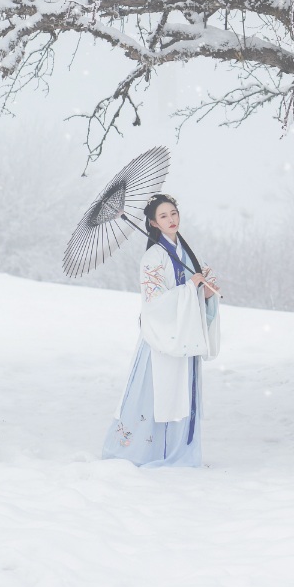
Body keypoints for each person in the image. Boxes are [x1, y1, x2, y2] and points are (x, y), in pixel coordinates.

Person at [101, 193, 221, 468]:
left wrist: (204, 291)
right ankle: (139, 452)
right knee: (155, 394)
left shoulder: (187, 253)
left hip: (185, 337)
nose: (171, 220)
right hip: (161, 339)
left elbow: (195, 293)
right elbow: (154, 302)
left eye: (174, 213)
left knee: (181, 394)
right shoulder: (153, 258)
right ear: (153, 223)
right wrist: (190, 289)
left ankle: (180, 452)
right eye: (163, 216)